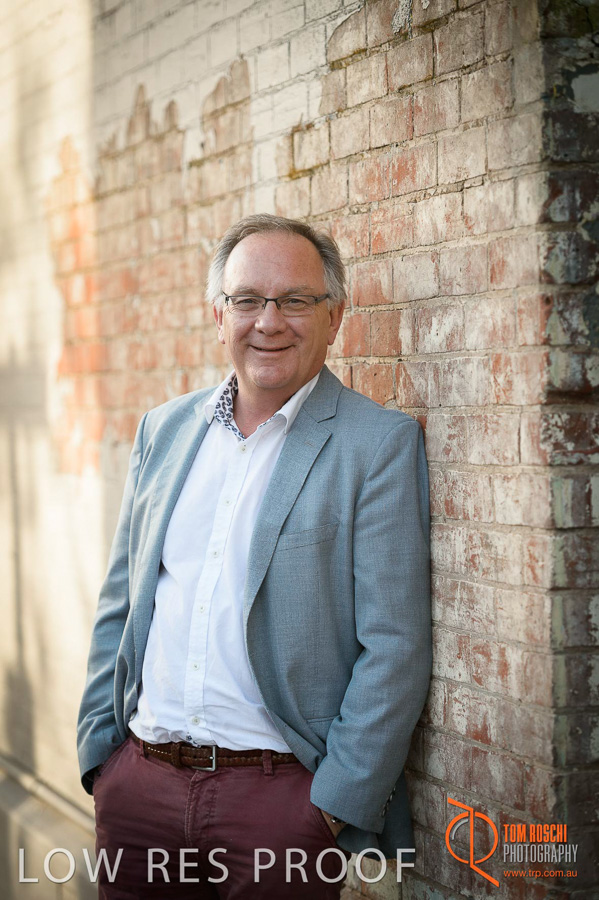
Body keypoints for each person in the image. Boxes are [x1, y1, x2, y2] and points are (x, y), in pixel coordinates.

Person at [77, 213, 432, 899]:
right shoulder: (163, 430)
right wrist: (101, 756)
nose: (268, 321)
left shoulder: (375, 445)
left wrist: (331, 807)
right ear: (219, 315)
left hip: (279, 806)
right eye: (247, 300)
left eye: (295, 300)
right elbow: (121, 601)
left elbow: (394, 645)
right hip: (138, 794)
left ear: (334, 317)